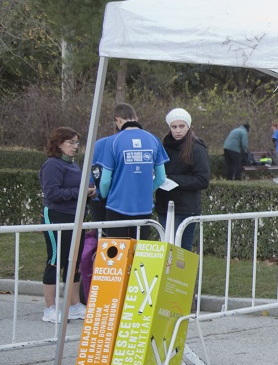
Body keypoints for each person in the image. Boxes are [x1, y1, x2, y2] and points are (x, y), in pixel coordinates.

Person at [39, 127, 91, 324]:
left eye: (77, 142)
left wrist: (89, 193)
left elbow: (77, 191)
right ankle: (50, 309)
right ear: (59, 144)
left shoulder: (73, 165)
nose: (75, 147)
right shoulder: (52, 165)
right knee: (55, 259)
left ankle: (74, 305)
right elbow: (52, 193)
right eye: (71, 143)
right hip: (56, 217)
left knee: (74, 261)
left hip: (75, 217)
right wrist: (80, 192)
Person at [95, 103, 168, 239]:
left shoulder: (112, 141)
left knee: (116, 255)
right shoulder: (154, 139)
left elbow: (104, 182)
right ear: (136, 118)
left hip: (116, 206)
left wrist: (104, 196)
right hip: (144, 207)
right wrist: (146, 191)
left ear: (118, 120)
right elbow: (161, 178)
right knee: (139, 254)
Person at [153, 108, 210, 251]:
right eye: (174, 127)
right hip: (164, 204)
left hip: (186, 207)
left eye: (181, 126)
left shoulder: (197, 148)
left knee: (183, 249)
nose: (178, 130)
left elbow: (203, 179)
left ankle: (188, 275)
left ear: (188, 126)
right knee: (167, 247)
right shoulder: (163, 146)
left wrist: (174, 180)